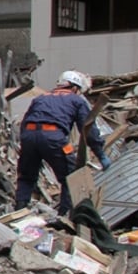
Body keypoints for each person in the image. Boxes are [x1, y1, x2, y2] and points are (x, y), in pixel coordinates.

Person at [15, 70, 110, 216]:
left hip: (29, 136)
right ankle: (64, 216)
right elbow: (88, 129)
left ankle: (19, 212)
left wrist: (29, 146)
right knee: (70, 177)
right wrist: (100, 154)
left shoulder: (41, 98)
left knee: (27, 176)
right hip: (53, 137)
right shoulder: (77, 100)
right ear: (75, 87)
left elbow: (24, 123)